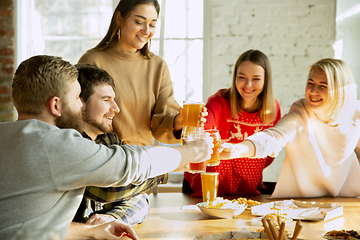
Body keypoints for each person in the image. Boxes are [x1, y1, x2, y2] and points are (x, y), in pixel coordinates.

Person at [0, 55, 212, 240]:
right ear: (56, 105)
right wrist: (192, 152)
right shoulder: (54, 143)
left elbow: (21, 229)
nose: (81, 106)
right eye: (76, 98)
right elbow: (131, 165)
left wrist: (90, 232)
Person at [221, 58, 360, 198]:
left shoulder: (356, 113)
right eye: (310, 83)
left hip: (347, 201)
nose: (313, 91)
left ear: (341, 90)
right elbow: (273, 137)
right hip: (300, 204)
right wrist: (239, 149)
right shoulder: (301, 112)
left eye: (323, 86)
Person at [78, 0, 189, 147]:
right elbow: (79, 116)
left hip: (146, 162)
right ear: (119, 19)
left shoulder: (157, 66)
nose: (146, 30)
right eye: (139, 22)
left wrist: (179, 121)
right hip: (107, 158)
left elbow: (161, 126)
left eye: (152, 25)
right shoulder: (93, 61)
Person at [73, 63, 167, 226]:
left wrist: (114, 218)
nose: (116, 108)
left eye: (114, 99)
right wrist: (166, 165)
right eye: (106, 99)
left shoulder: (110, 140)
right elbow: (108, 190)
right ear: (80, 102)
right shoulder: (69, 143)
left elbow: (140, 197)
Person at [184, 49, 281, 197]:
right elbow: (198, 138)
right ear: (235, 77)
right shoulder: (217, 103)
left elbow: (269, 154)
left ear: (265, 80)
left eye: (256, 79)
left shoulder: (273, 109)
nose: (248, 84)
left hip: (249, 191)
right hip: (208, 190)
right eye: (242, 77)